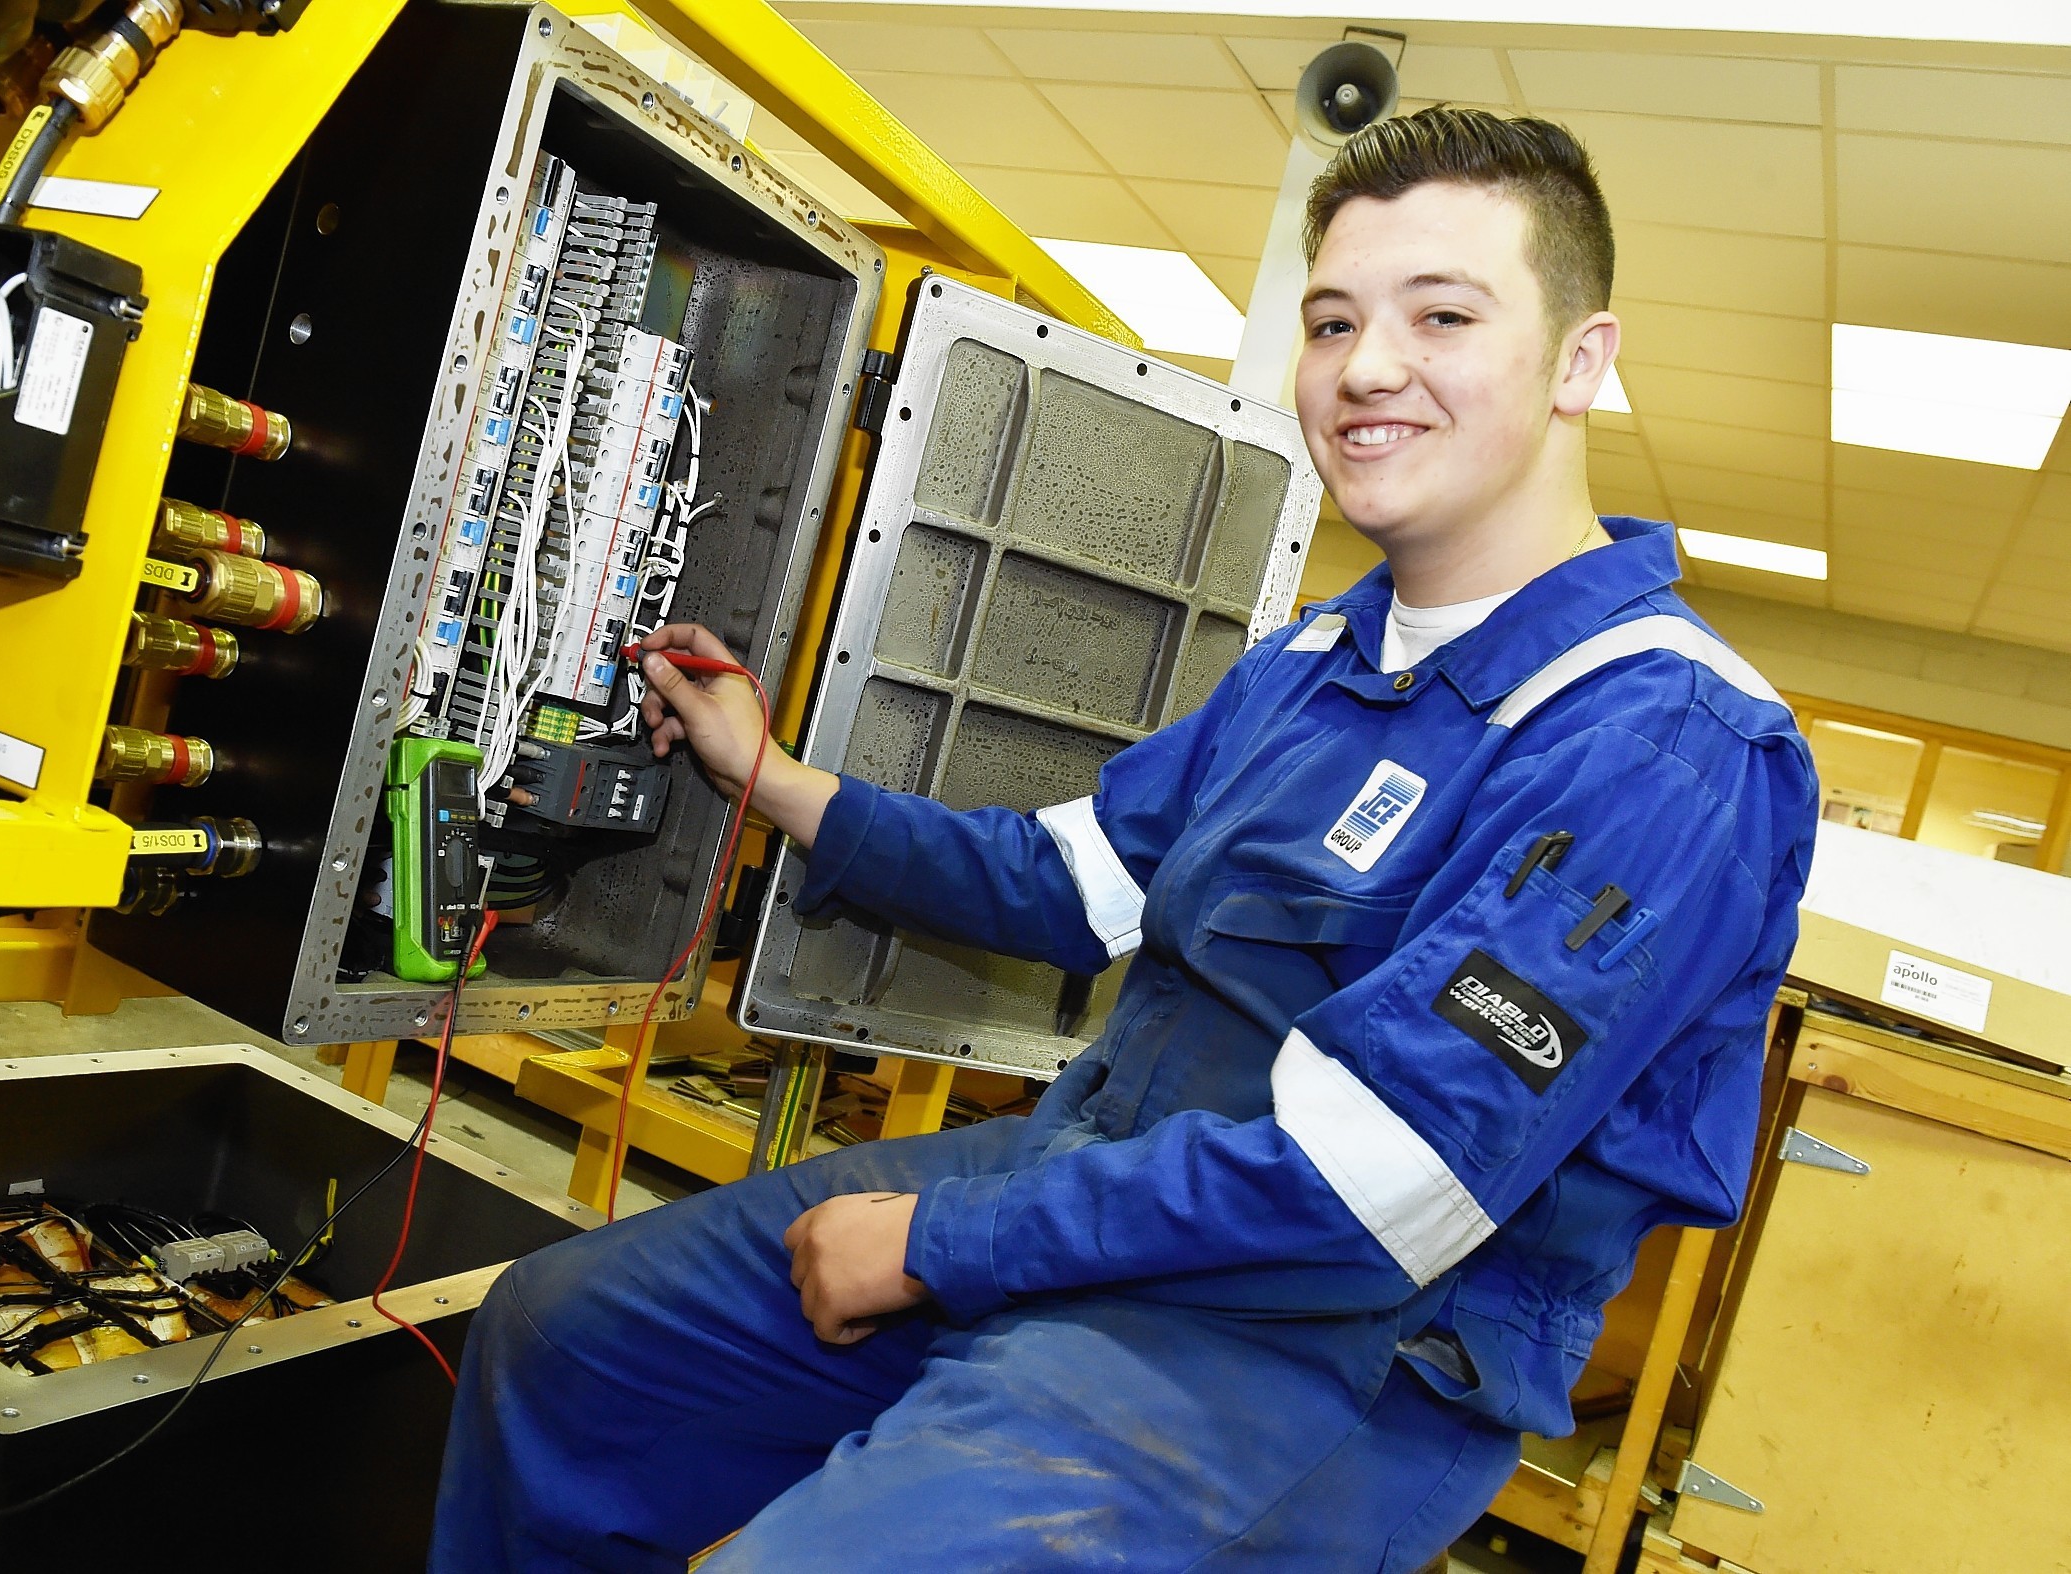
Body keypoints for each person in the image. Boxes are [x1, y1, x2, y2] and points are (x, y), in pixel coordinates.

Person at [430, 106, 1819, 1572]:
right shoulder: (1313, 665)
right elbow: (1062, 880)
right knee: (564, 1335)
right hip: (1095, 1186)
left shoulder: (1666, 747)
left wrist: (936, 1244)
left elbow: (1370, 1190)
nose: (1366, 368)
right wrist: (770, 776)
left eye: (1442, 315)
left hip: (1315, 1349)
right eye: (1332, 318)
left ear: (1578, 362)